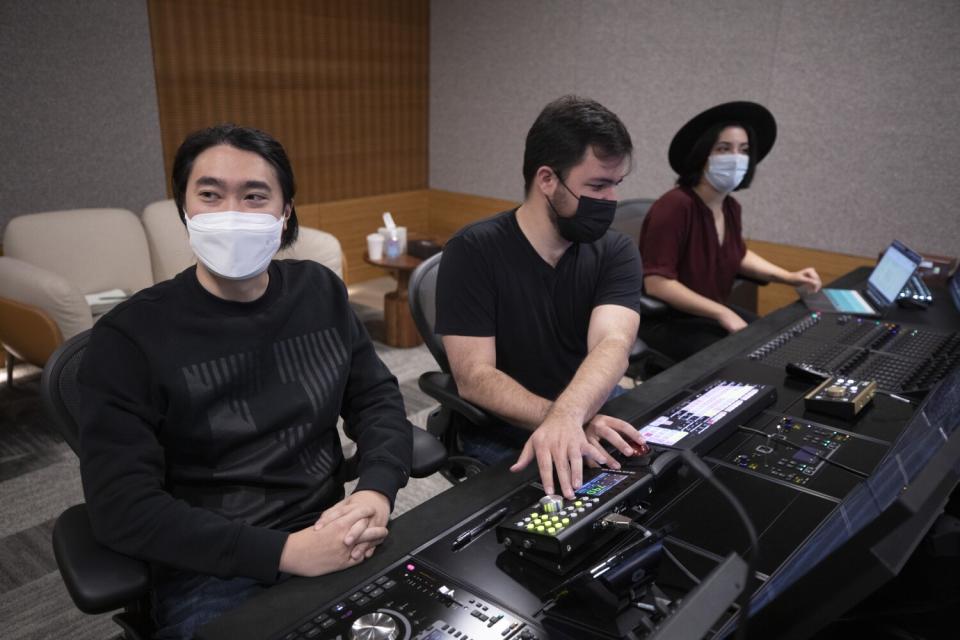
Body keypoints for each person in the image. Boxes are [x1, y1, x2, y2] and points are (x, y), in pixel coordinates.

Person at [77, 124, 413, 639]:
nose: (231, 213)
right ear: (184, 210)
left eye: (254, 196)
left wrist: (377, 490)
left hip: (336, 525)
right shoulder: (129, 338)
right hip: (212, 568)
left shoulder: (318, 291)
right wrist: (284, 553)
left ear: (285, 213)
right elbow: (122, 507)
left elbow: (376, 398)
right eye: (210, 195)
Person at [436, 95, 647, 501]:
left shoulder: (616, 250)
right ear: (547, 179)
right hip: (506, 429)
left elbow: (613, 343)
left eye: (615, 186)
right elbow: (475, 378)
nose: (610, 201)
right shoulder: (473, 250)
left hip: (589, 409)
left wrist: (570, 416)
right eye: (597, 186)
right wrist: (562, 419)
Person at [638, 101, 822, 362]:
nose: (736, 158)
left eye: (743, 150)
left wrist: (789, 277)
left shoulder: (730, 206)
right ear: (703, 155)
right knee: (740, 360)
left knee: (776, 342)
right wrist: (722, 313)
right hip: (668, 320)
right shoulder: (675, 205)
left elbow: (736, 254)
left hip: (705, 313)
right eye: (724, 148)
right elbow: (657, 284)